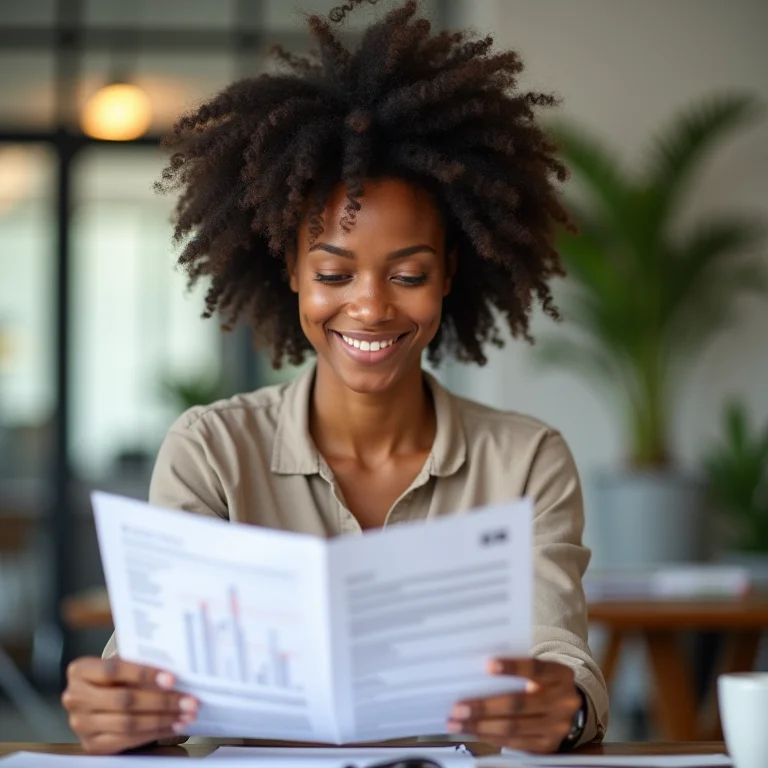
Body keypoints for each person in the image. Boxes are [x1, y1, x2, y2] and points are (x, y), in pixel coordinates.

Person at [62, 0, 609, 755]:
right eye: (333, 272)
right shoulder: (212, 451)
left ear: (451, 272)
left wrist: (565, 710)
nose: (371, 306)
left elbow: (560, 656)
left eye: (409, 273)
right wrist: (120, 708)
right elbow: (153, 663)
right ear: (291, 270)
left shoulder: (525, 460)